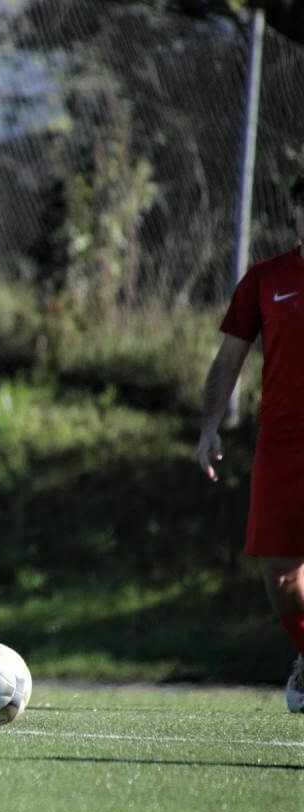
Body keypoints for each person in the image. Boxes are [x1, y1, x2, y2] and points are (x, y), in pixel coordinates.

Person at [196, 175, 304, 712]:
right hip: (282, 445)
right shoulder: (266, 279)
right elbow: (229, 359)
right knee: (282, 580)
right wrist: (211, 423)